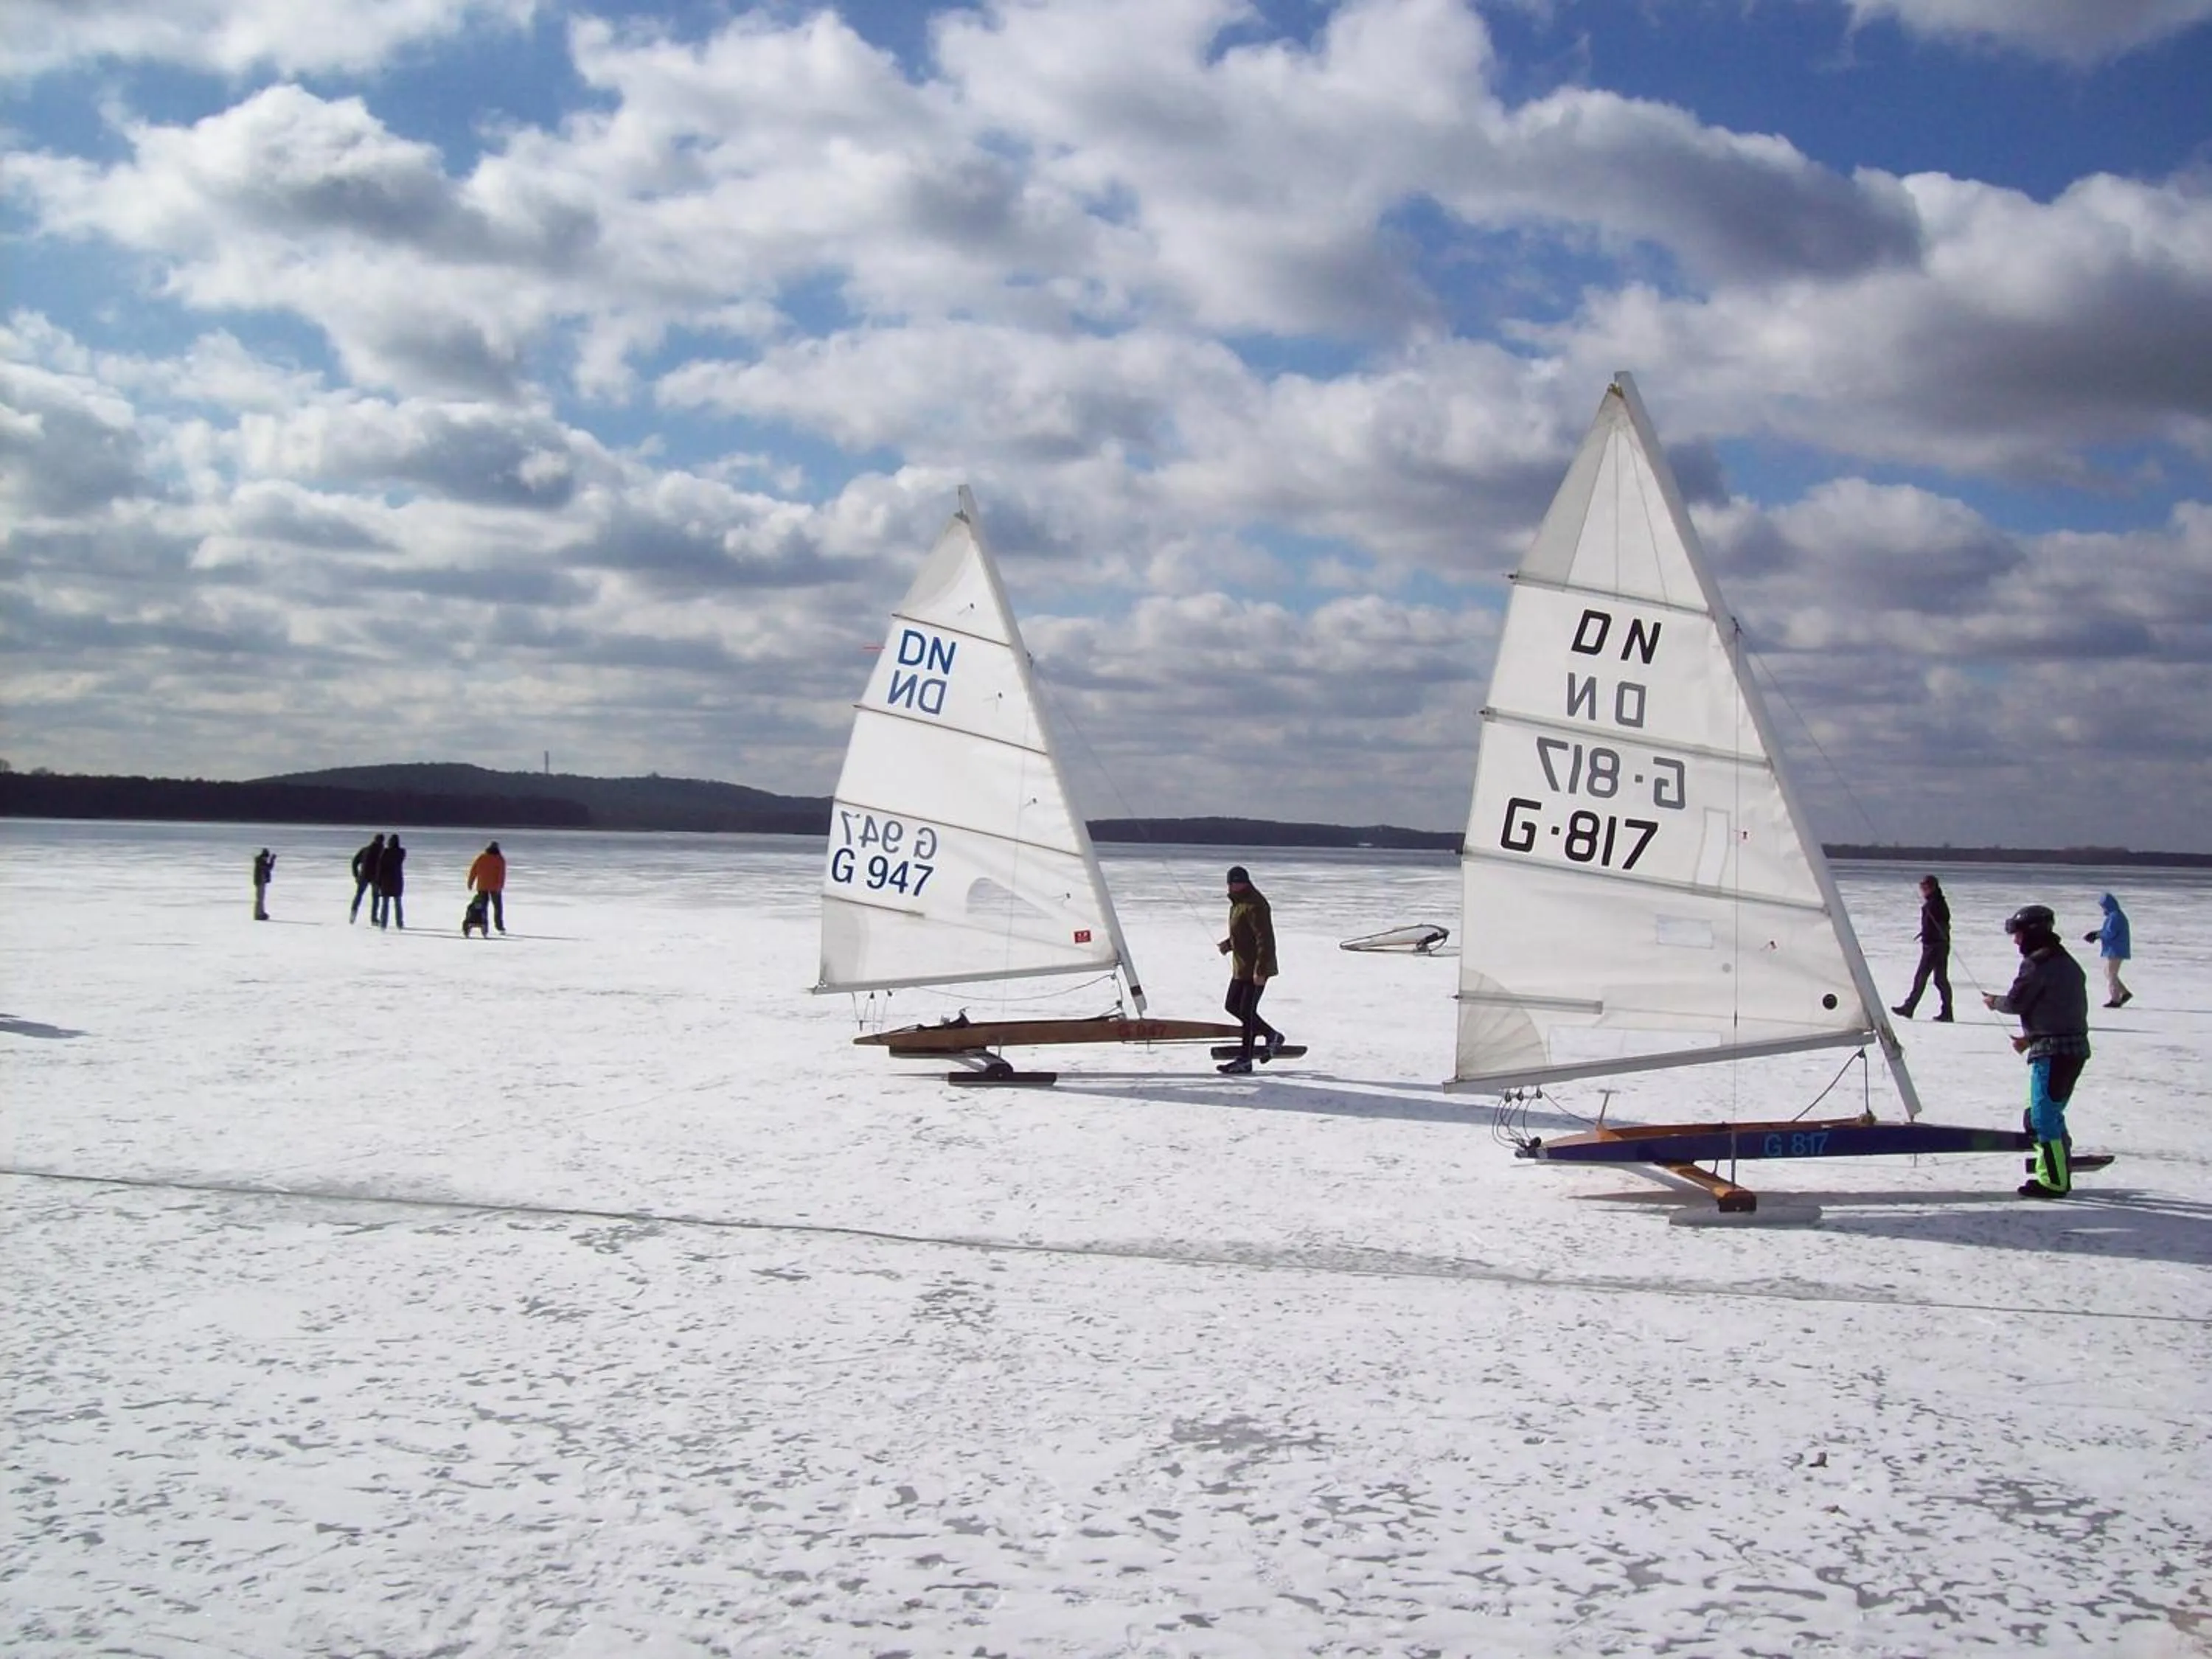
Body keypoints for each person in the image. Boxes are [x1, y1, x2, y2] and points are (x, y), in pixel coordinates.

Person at [1981, 904, 2090, 1199]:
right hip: (2071, 1049)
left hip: (2054, 1053)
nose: (2016, 941)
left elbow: (2016, 1002)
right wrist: (2030, 1039)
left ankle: (2054, 1181)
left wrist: (1994, 1002)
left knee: (2042, 1118)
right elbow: (2063, 1011)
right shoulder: (2066, 961)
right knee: (2048, 1115)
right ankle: (2057, 1172)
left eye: (2018, 935)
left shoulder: (2038, 964)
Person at [1216, 865, 1284, 1074]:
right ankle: (1271, 1035)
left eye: (1238, 882)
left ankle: (1245, 1059)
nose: (1233, 886)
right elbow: (1244, 934)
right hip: (1242, 967)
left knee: (1247, 1011)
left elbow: (1265, 939)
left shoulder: (1256, 905)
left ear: (1246, 883)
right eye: (1231, 883)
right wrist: (1229, 944)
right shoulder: (1238, 903)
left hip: (1256, 968)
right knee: (1232, 1005)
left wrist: (1260, 971)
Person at [1890, 874, 1953, 1021]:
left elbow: (1942, 923)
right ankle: (1947, 1012)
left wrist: (1933, 936)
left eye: (1925, 887)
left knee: (1922, 977)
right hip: (1939, 945)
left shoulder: (1935, 904)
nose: (1922, 890)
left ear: (1932, 887)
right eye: (1921, 887)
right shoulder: (1935, 902)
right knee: (1940, 980)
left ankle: (1909, 1008)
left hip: (1935, 946)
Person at [2085, 893, 2132, 1009]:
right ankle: (2124, 993)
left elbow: (2110, 933)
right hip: (2115, 948)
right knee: (2108, 972)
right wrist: (2097, 934)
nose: (2103, 909)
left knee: (2111, 974)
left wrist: (2096, 935)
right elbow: (2108, 931)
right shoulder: (2114, 915)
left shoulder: (2115, 917)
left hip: (2116, 949)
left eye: (2103, 906)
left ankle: (2115, 999)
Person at [466, 841, 507, 934]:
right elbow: (501, 874)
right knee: (498, 907)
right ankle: (500, 927)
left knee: (483, 907)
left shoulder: (482, 858)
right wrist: (500, 886)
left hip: (482, 885)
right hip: (495, 887)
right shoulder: (500, 859)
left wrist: (470, 883)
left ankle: (484, 924)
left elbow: (473, 871)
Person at [349, 832, 384, 924]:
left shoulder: (365, 850)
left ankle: (353, 914)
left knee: (359, 895)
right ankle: (374, 918)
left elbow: (355, 862)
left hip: (364, 876)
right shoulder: (382, 852)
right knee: (375, 898)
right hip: (376, 878)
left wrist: (356, 875)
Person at [374, 832, 406, 930]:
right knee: (398, 903)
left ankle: (383, 924)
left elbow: (380, 867)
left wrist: (378, 881)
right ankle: (399, 923)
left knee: (385, 903)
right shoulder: (401, 852)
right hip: (397, 880)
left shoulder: (385, 852)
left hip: (386, 880)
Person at [251, 848, 276, 921]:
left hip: (262, 882)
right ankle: (258, 914)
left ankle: (261, 913)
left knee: (261, 899)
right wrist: (272, 860)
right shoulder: (260, 862)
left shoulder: (261, 861)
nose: (266, 859)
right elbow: (268, 868)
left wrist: (272, 860)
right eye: (266, 857)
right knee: (260, 899)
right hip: (260, 882)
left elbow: (268, 867)